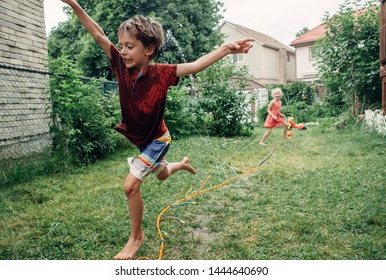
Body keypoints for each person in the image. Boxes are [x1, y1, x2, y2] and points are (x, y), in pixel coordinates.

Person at [61, 0, 254, 260]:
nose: (124, 51)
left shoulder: (162, 74)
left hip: (158, 139)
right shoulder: (119, 65)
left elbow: (195, 65)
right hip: (142, 142)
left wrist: (225, 49)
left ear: (149, 48)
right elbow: (97, 32)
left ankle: (136, 236)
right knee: (161, 175)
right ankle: (181, 164)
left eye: (130, 46)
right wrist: (74, 4)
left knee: (130, 185)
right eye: (122, 46)